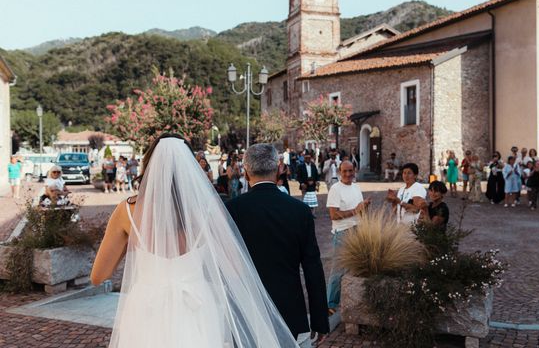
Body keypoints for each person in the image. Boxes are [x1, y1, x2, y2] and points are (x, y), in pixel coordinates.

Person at [91, 134, 300, 348]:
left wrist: (134, 245)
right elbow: (236, 269)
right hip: (197, 306)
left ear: (149, 167)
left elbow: (99, 276)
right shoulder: (208, 210)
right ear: (189, 169)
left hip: (146, 308)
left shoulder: (126, 212)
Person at [226, 143, 330, 347]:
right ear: (278, 169)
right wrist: (319, 320)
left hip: (247, 314)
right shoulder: (299, 211)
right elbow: (313, 269)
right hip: (290, 312)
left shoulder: (230, 210)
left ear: (246, 173)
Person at [326, 161, 370, 315]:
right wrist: (355, 211)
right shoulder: (335, 189)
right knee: (338, 269)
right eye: (344, 171)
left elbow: (359, 210)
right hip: (343, 232)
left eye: (350, 171)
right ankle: (330, 303)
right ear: (339, 171)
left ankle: (353, 300)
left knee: (356, 267)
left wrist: (364, 210)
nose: (348, 174)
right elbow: (334, 215)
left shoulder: (356, 187)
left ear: (354, 170)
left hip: (358, 230)